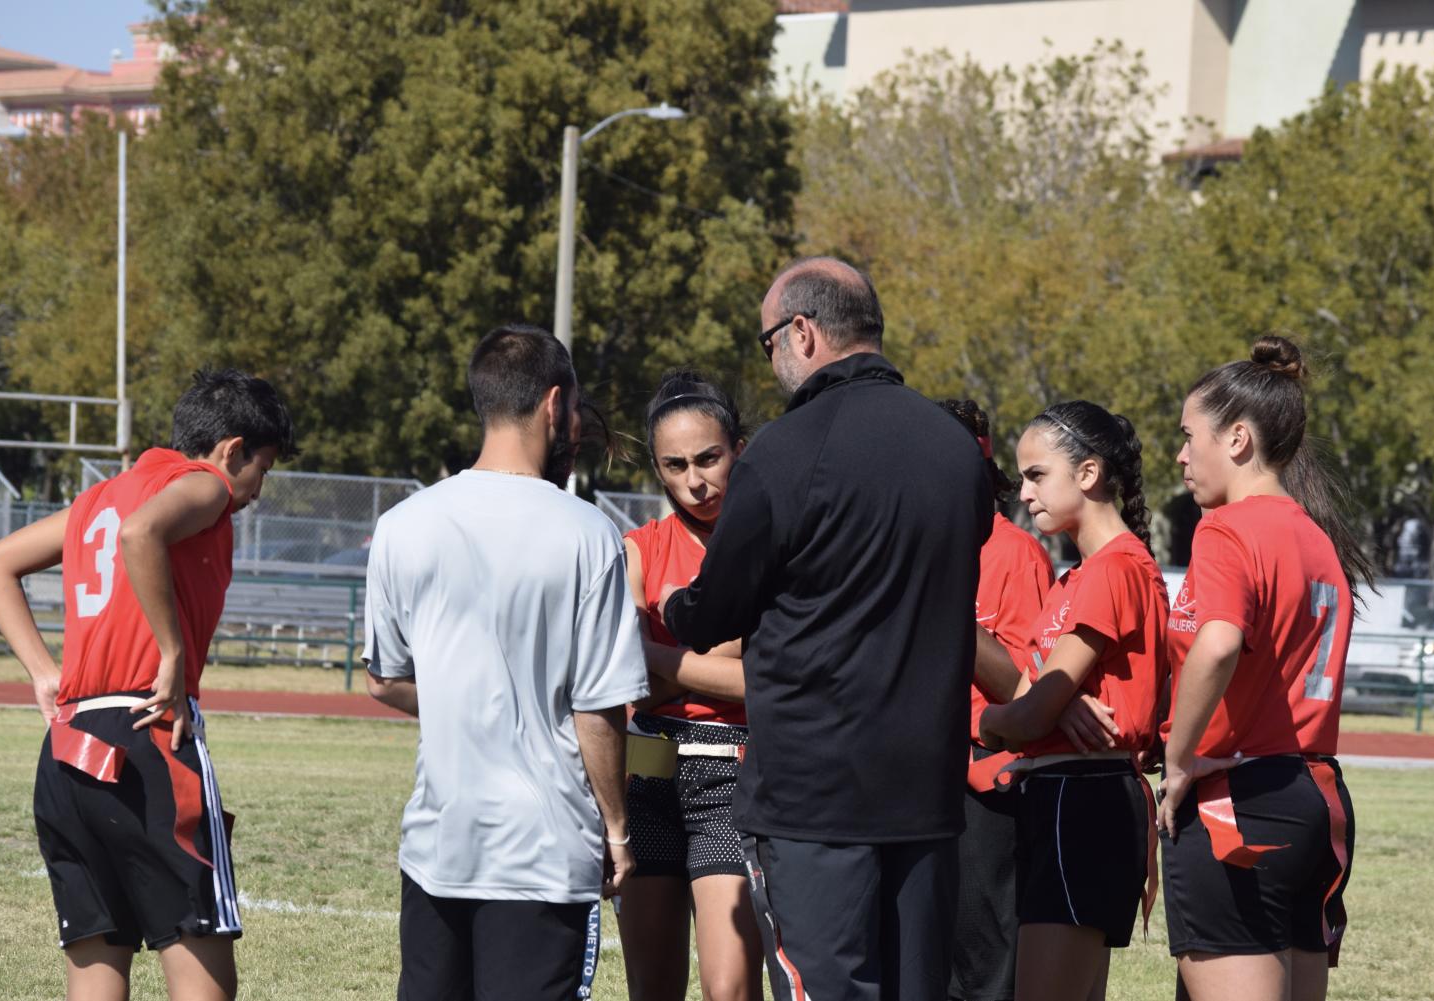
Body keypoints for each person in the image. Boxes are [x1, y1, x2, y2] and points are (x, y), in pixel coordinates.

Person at [660, 257, 992, 1001]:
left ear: (802, 332)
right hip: (927, 792)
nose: (771, 359)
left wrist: (675, 603)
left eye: (767, 342)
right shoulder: (955, 452)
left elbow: (715, 614)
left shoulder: (783, 450)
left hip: (816, 796)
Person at [362, 324, 649, 1001]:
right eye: (576, 410)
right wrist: (616, 828)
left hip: (439, 841)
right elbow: (598, 708)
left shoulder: (405, 524)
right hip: (544, 849)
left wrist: (473, 696)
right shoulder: (587, 533)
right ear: (555, 406)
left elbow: (384, 678)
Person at [0, 369, 295, 1001]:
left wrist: (45, 674)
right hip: (146, 736)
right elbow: (141, 534)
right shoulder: (206, 484)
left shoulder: (102, 495)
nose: (256, 491)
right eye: (261, 469)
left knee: (97, 970)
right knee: (202, 970)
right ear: (231, 450)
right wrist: (174, 652)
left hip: (69, 746)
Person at [1159, 335, 1366, 1001]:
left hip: (1239, 798)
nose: (1181, 454)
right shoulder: (1315, 535)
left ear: (1239, 438)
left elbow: (1216, 646)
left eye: (1191, 436)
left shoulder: (1227, 528)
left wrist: (1178, 756)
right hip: (1310, 798)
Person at [977, 400, 1168, 1001]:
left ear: (1087, 474)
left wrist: (989, 723)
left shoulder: (1116, 568)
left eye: (1037, 475)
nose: (1024, 492)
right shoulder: (1076, 577)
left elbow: (1032, 708)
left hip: (1080, 801)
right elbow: (1038, 694)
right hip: (1063, 797)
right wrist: (1036, 712)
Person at [618, 370, 764, 1001]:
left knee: (728, 989)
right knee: (653, 987)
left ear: (739, 447)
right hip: (646, 771)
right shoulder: (639, 548)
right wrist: (720, 651)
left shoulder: (771, 547)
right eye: (674, 465)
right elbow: (622, 677)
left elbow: (765, 684)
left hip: (733, 772)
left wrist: (659, 655)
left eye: (709, 458)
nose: (695, 480)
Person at [939, 398, 1055, 1001]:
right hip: (912, 780)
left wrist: (945, 590)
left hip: (985, 782)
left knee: (984, 970)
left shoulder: (1013, 551)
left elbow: (1023, 685)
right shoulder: (896, 542)